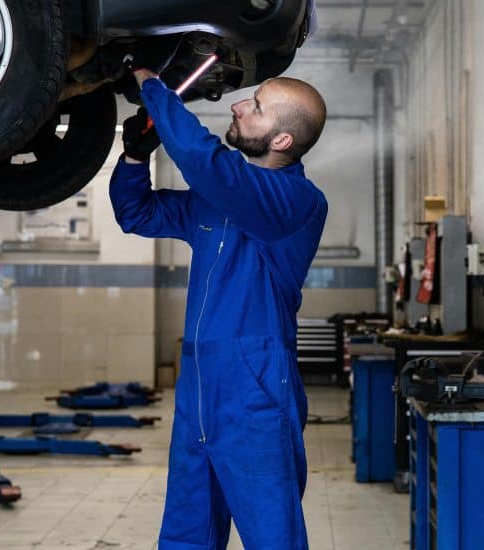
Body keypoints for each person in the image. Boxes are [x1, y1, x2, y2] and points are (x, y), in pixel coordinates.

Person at [109, 65, 328, 549]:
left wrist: (154, 87)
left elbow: (203, 161)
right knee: (189, 532)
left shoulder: (297, 202)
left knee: (273, 537)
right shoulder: (219, 201)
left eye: (255, 106)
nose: (237, 105)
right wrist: (132, 157)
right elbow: (137, 214)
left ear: (283, 140)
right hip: (200, 390)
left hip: (255, 393)